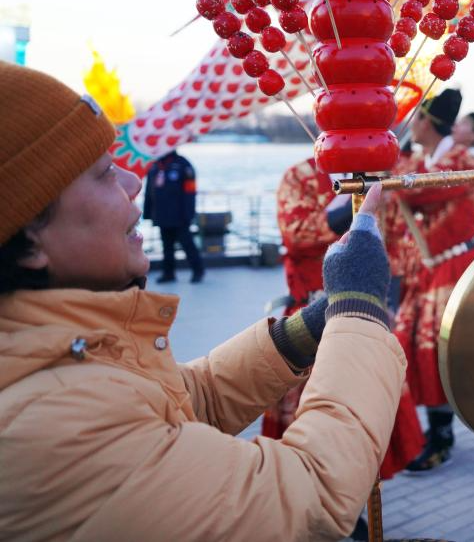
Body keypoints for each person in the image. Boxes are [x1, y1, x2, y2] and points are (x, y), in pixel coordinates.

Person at [0, 63, 404, 540]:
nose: (133, 183)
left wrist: (306, 329)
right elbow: (311, 496)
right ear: (29, 236)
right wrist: (358, 309)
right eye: (104, 173)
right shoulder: (54, 421)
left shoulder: (59, 356)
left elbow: (188, 399)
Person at [262, 157, 423, 488]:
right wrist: (357, 205)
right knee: (314, 423)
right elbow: (296, 234)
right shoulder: (300, 176)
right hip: (312, 314)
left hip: (367, 310)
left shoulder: (380, 176)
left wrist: (391, 296)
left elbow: (394, 241)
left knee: (366, 415)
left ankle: (354, 497)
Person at [394, 88, 474, 472]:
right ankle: (426, 432)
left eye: (416, 117)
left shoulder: (462, 161)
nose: (411, 125)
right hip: (425, 269)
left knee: (434, 351)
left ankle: (441, 437)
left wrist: (395, 175)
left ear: (428, 122)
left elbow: (421, 190)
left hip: (452, 267)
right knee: (408, 348)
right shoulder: (419, 162)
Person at [143, 149, 205, 283]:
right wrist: (148, 213)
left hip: (180, 216)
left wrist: (189, 214)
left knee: (187, 244)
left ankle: (198, 271)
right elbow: (149, 192)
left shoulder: (184, 165)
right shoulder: (155, 166)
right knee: (167, 246)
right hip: (161, 214)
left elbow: (190, 192)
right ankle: (168, 273)